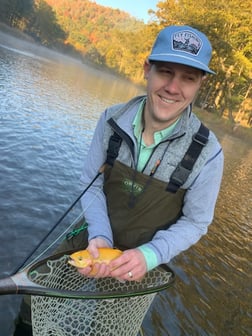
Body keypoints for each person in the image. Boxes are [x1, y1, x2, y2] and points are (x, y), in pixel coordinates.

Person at [14, 25, 223, 334]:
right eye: (165, 72)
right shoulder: (111, 119)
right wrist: (100, 235)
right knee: (37, 299)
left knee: (109, 327)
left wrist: (150, 255)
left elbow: (196, 222)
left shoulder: (209, 153)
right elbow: (91, 180)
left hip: (146, 253)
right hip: (93, 236)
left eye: (188, 78)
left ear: (200, 84)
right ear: (147, 69)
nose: (173, 88)